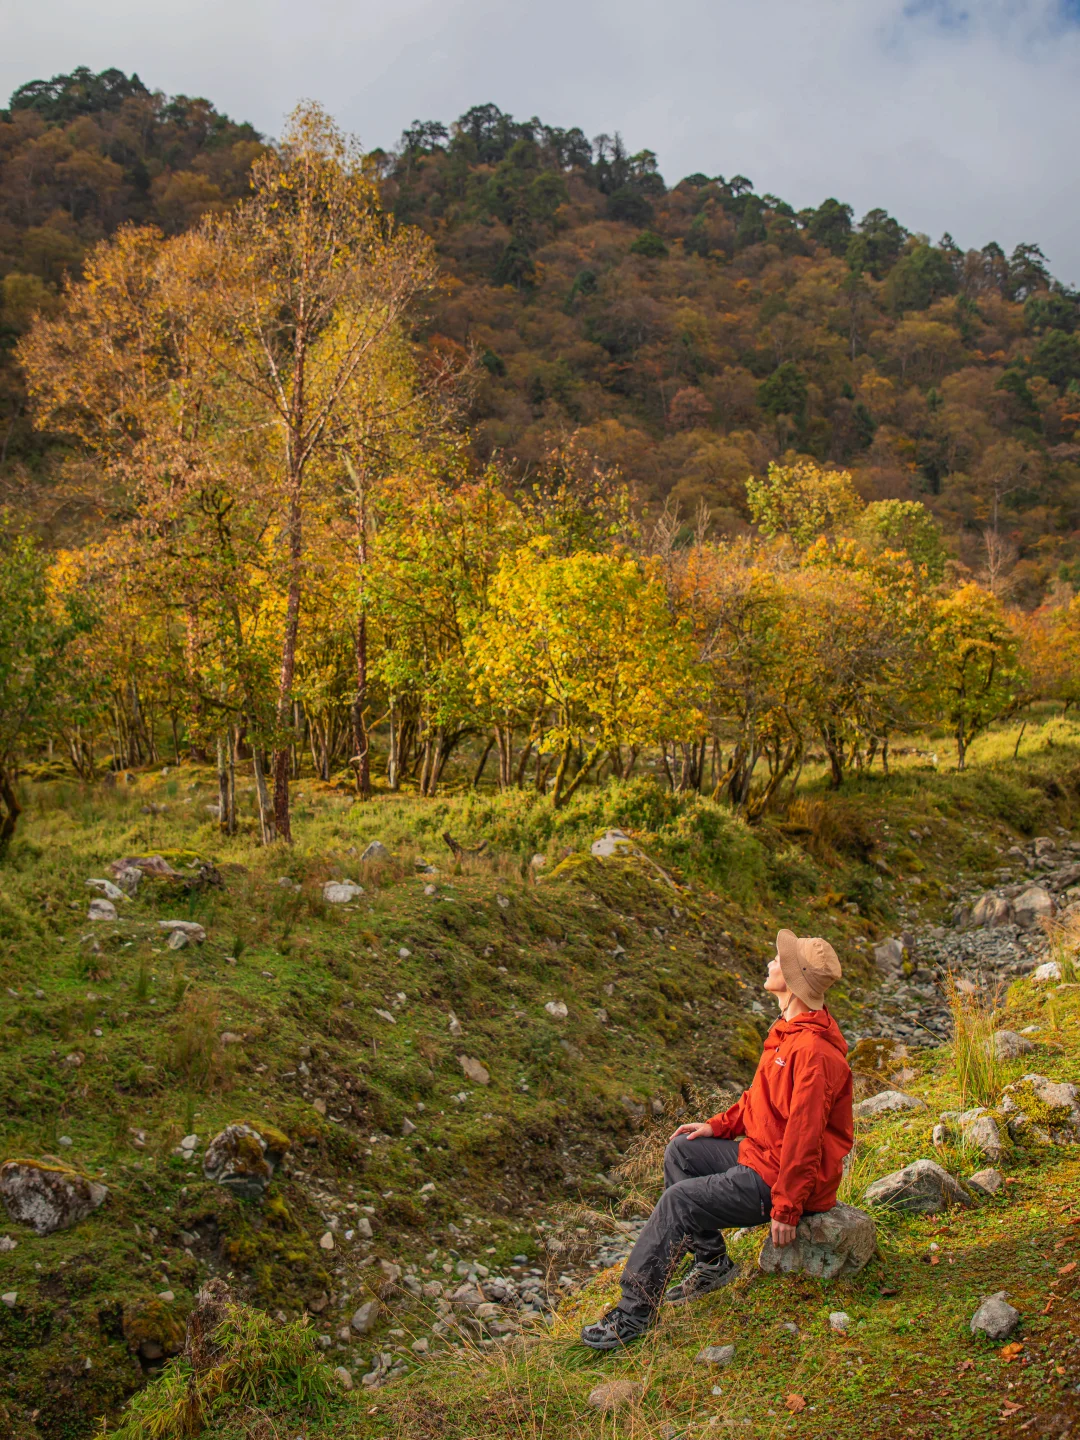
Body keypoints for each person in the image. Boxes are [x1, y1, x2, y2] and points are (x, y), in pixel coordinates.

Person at [581, 928, 854, 1350]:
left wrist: (786, 1208)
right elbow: (760, 1101)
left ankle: (633, 1314)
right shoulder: (787, 1030)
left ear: (796, 980)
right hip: (761, 1156)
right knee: (682, 1152)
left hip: (779, 1179)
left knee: (679, 1201)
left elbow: (805, 1139)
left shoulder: (814, 1053)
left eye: (778, 960)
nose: (770, 963)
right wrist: (717, 1126)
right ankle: (712, 1263)